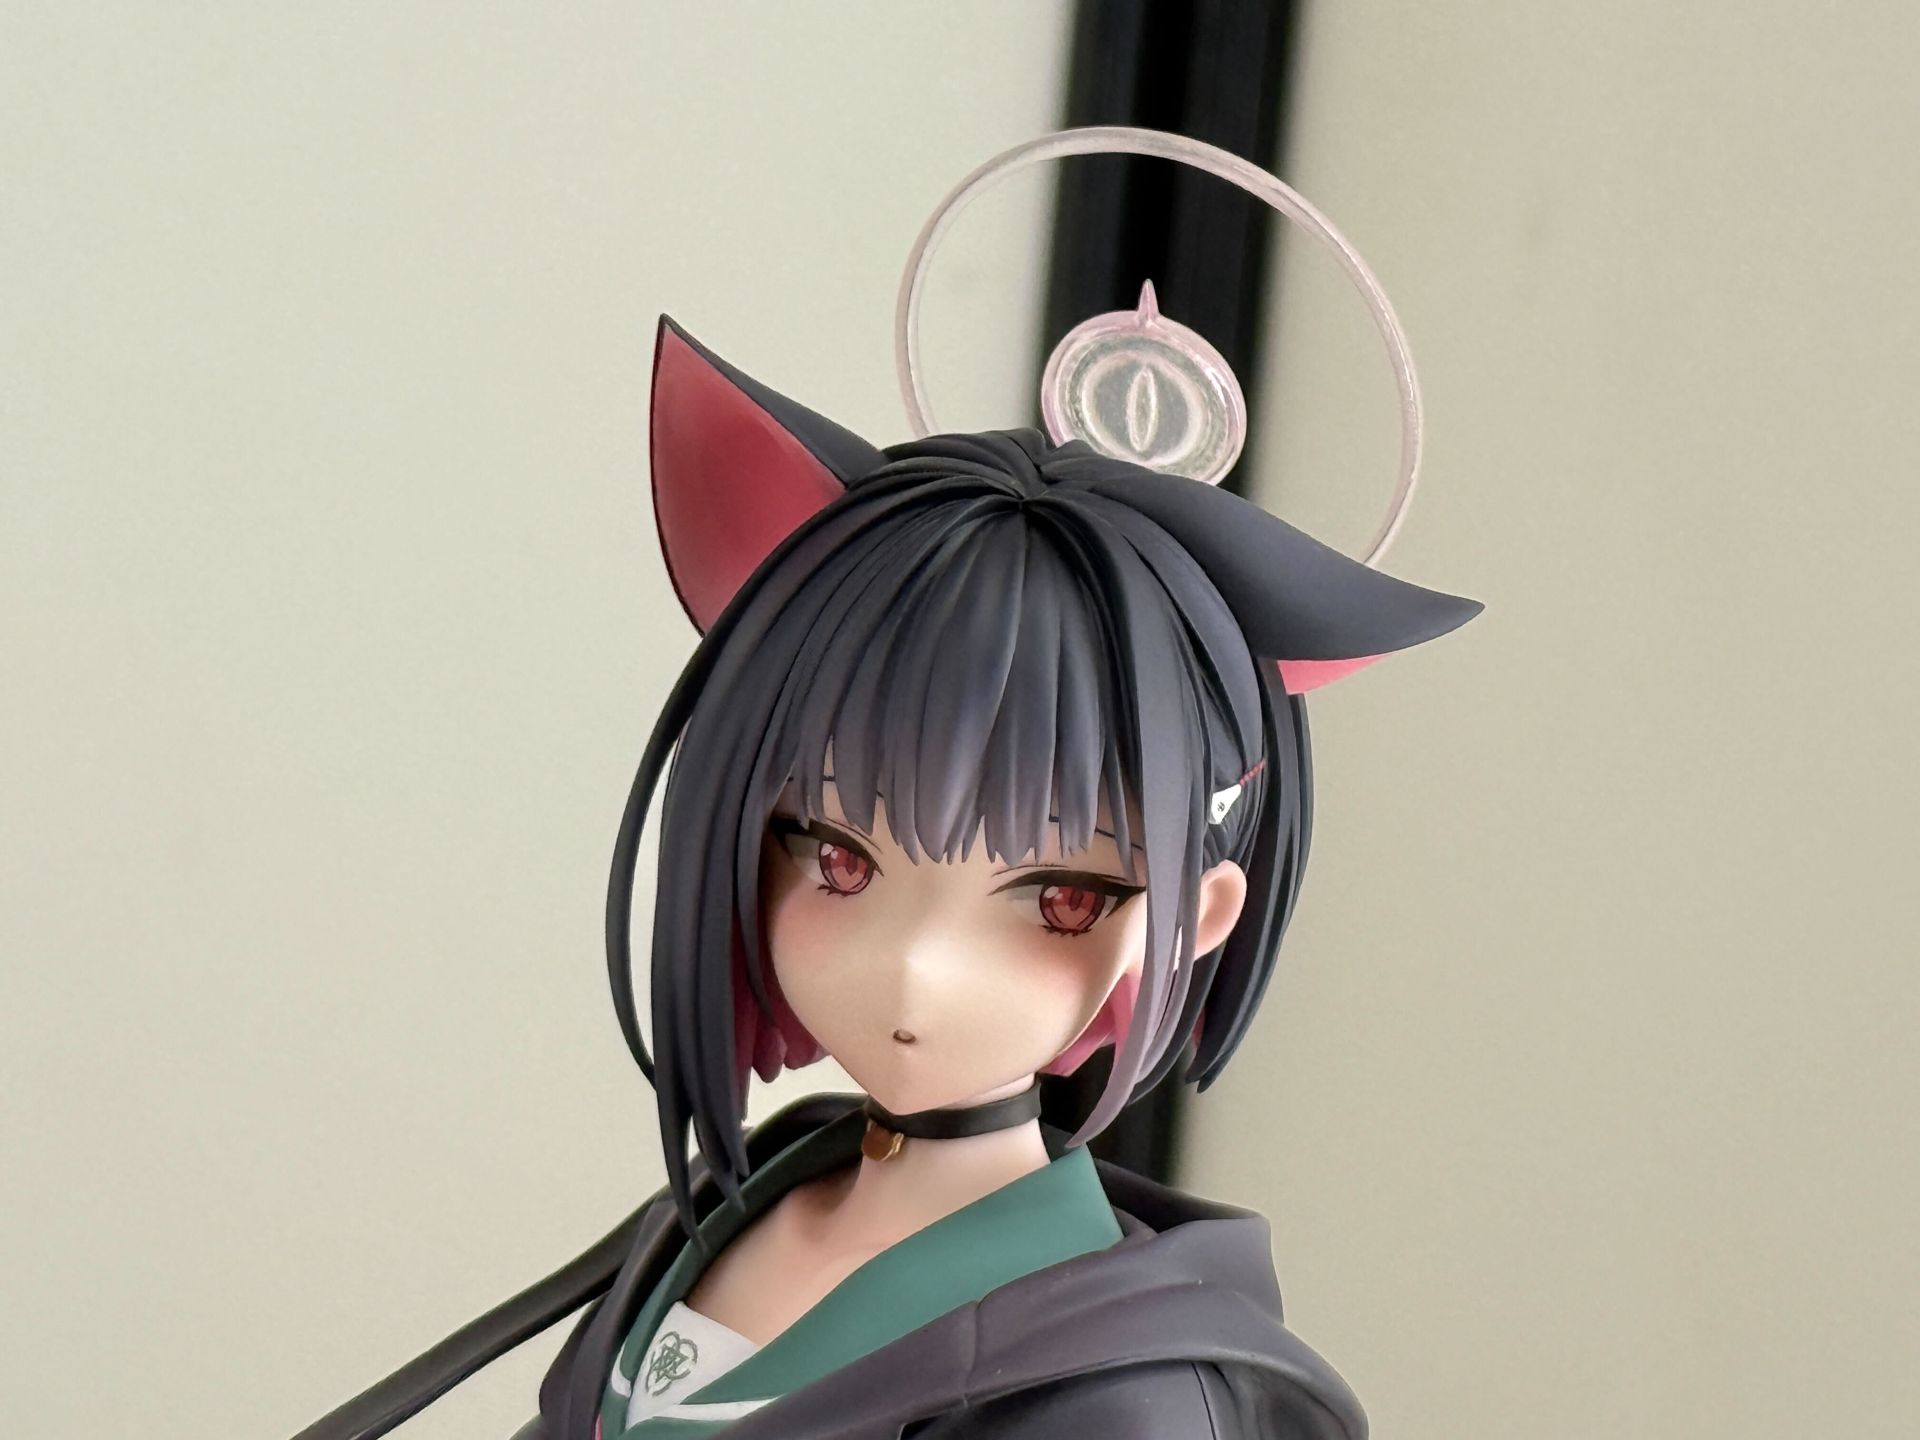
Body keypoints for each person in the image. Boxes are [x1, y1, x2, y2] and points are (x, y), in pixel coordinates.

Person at [294, 317, 1481, 1440]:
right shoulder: (731, 1211)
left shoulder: (1123, 1384)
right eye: (841, 860)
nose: (915, 966)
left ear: (1193, 919)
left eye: (1056, 899)